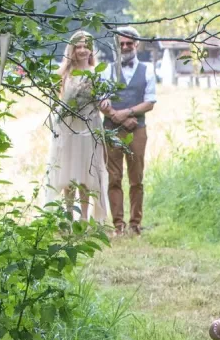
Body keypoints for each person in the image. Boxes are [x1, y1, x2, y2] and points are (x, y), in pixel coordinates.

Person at [45, 30, 111, 223]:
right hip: (68, 128)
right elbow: (55, 100)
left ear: (91, 50)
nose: (82, 50)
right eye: (78, 46)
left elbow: (103, 100)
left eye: (86, 46)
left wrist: (106, 103)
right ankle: (67, 215)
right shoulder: (63, 74)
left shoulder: (97, 74)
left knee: (86, 171)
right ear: (72, 49)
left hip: (89, 126)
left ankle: (84, 216)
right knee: (68, 171)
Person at [102, 26, 156, 236]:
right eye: (121, 44)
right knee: (114, 177)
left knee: (136, 178)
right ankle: (118, 225)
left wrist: (127, 113)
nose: (125, 47)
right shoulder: (107, 70)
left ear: (136, 45)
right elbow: (101, 100)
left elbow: (150, 101)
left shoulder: (147, 70)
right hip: (111, 129)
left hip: (137, 129)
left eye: (128, 43)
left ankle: (135, 223)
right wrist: (115, 115)